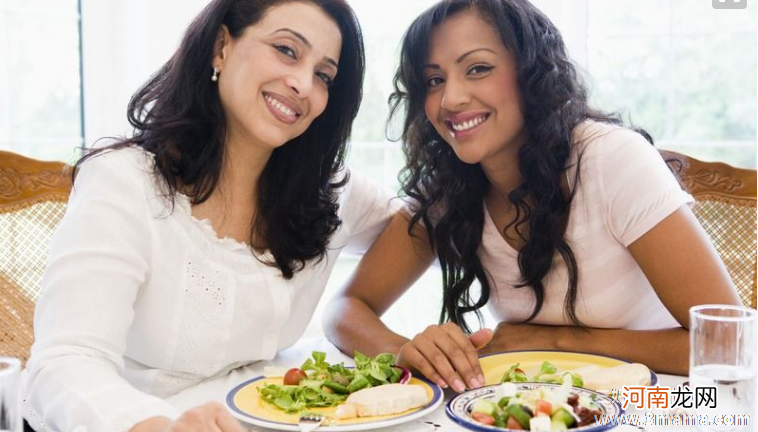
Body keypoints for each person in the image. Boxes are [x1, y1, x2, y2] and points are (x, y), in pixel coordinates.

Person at [324, 0, 742, 395]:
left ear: (531, 74)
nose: (450, 100)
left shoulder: (610, 159)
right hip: (545, 406)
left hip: (662, 404)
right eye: (434, 80)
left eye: (478, 68)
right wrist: (407, 352)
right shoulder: (450, 188)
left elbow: (732, 343)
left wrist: (556, 341)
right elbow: (346, 308)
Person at [22, 1, 394, 431]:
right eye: (287, 50)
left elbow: (432, 223)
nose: (303, 84)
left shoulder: (326, 191)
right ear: (221, 47)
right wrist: (156, 425)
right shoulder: (125, 182)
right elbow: (65, 360)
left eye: (324, 75)